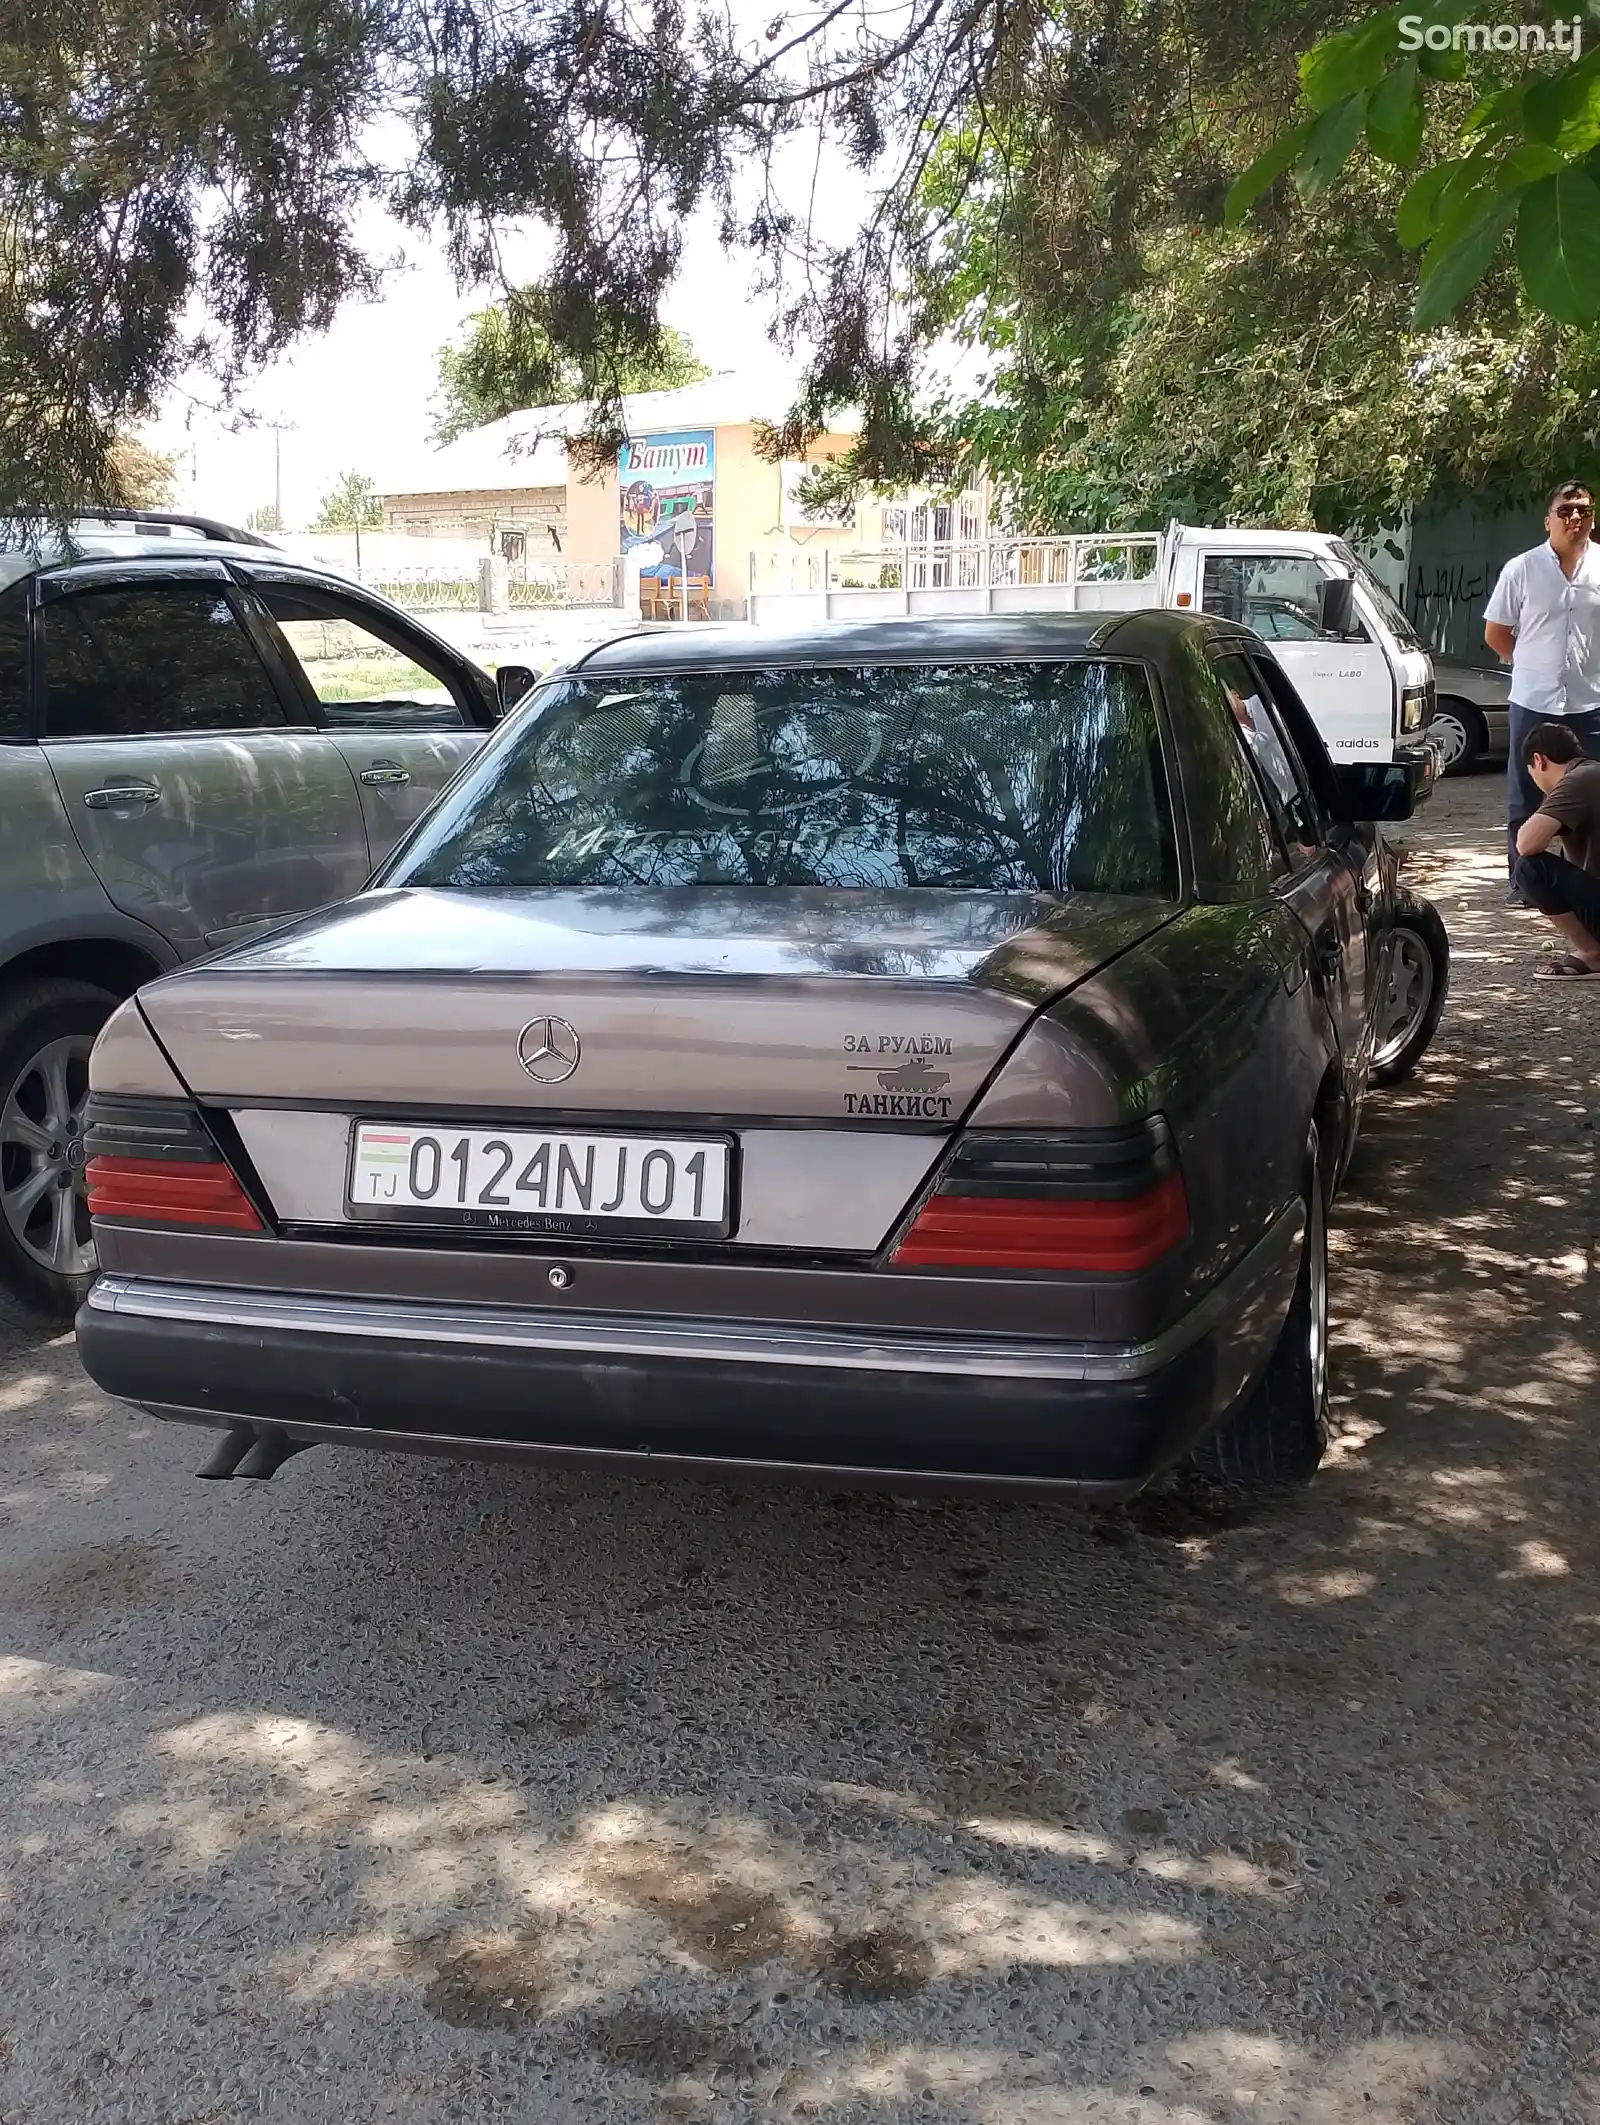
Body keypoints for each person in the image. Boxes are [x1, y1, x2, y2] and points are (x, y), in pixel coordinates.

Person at [1483, 480, 1600, 893]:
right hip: (1534, 701)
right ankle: (1524, 884)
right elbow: (1495, 633)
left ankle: (1587, 887)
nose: (1575, 518)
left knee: (1590, 797)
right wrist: (1529, 662)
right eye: (1566, 510)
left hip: (1589, 704)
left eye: (1584, 510)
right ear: (1548, 519)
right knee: (1525, 796)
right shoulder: (1523, 568)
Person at [1511, 721, 1600, 976]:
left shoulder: (1578, 780)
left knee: (1530, 868)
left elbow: (1527, 844)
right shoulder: (1592, 773)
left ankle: (1593, 955)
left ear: (1539, 761)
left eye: (1531, 771)